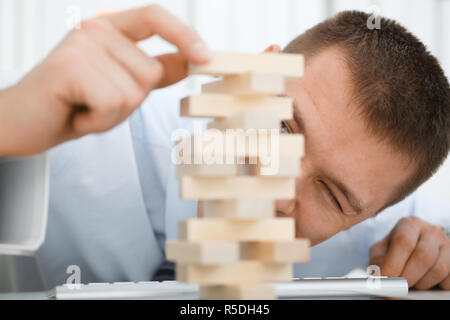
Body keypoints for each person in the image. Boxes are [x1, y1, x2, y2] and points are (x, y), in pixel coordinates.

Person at [0, 5, 449, 291]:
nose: (274, 191)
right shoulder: (68, 136)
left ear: (367, 217)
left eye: (330, 196)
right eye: (283, 125)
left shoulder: (384, 228)